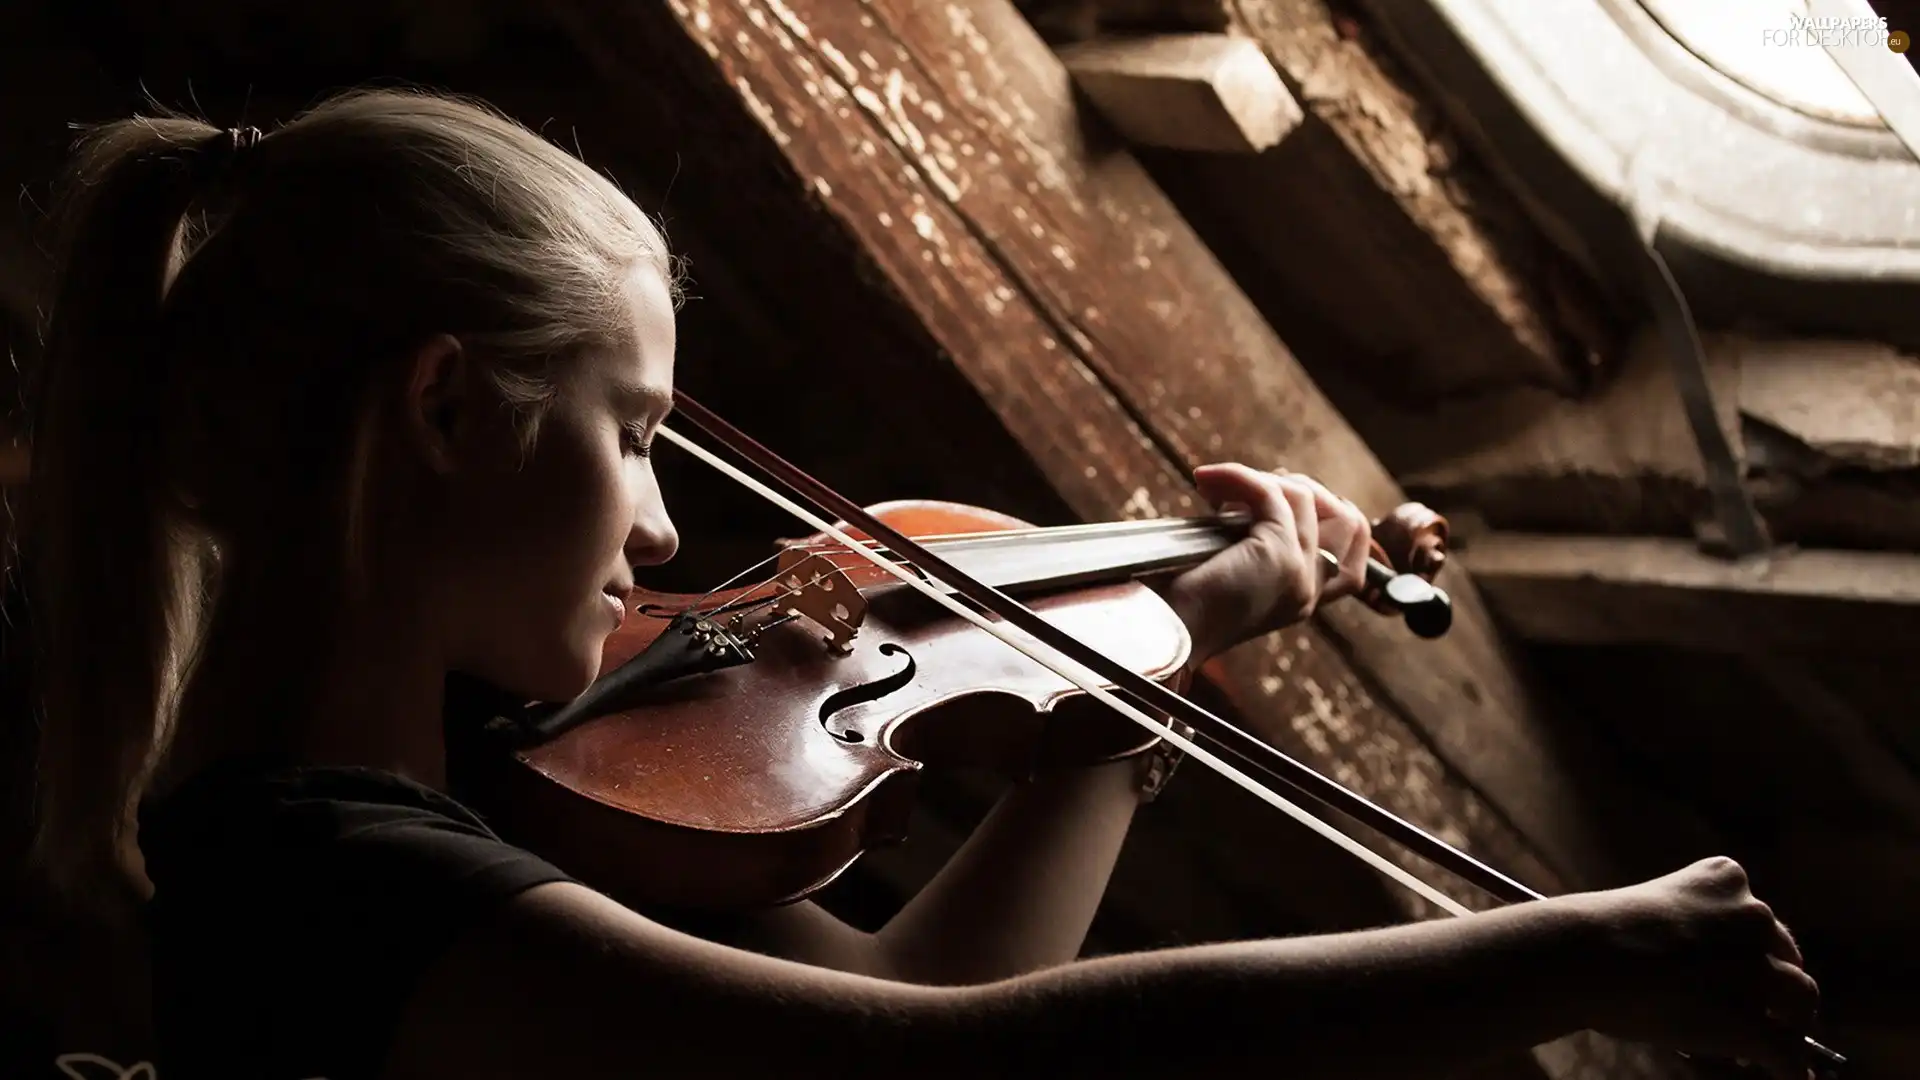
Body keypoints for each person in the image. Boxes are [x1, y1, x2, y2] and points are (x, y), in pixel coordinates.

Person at [7, 87, 1820, 1080]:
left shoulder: (436, 815)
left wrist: (1128, 682)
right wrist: (1570, 954)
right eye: (634, 430)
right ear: (447, 406)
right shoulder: (320, 882)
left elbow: (928, 1003)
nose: (659, 530)